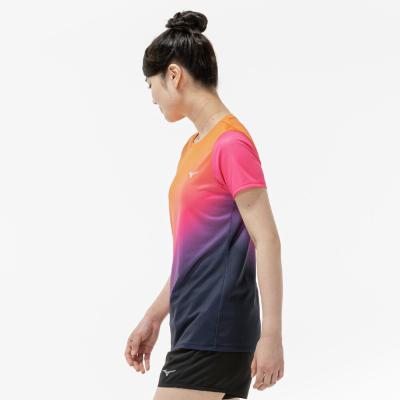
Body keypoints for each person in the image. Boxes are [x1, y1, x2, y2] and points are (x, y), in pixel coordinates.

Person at [124, 10, 284, 400]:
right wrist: (154, 315)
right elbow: (193, 256)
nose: (153, 98)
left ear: (173, 75)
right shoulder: (193, 148)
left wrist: (271, 334)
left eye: (151, 85)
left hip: (215, 330)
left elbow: (266, 239)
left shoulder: (231, 144)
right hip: (195, 329)